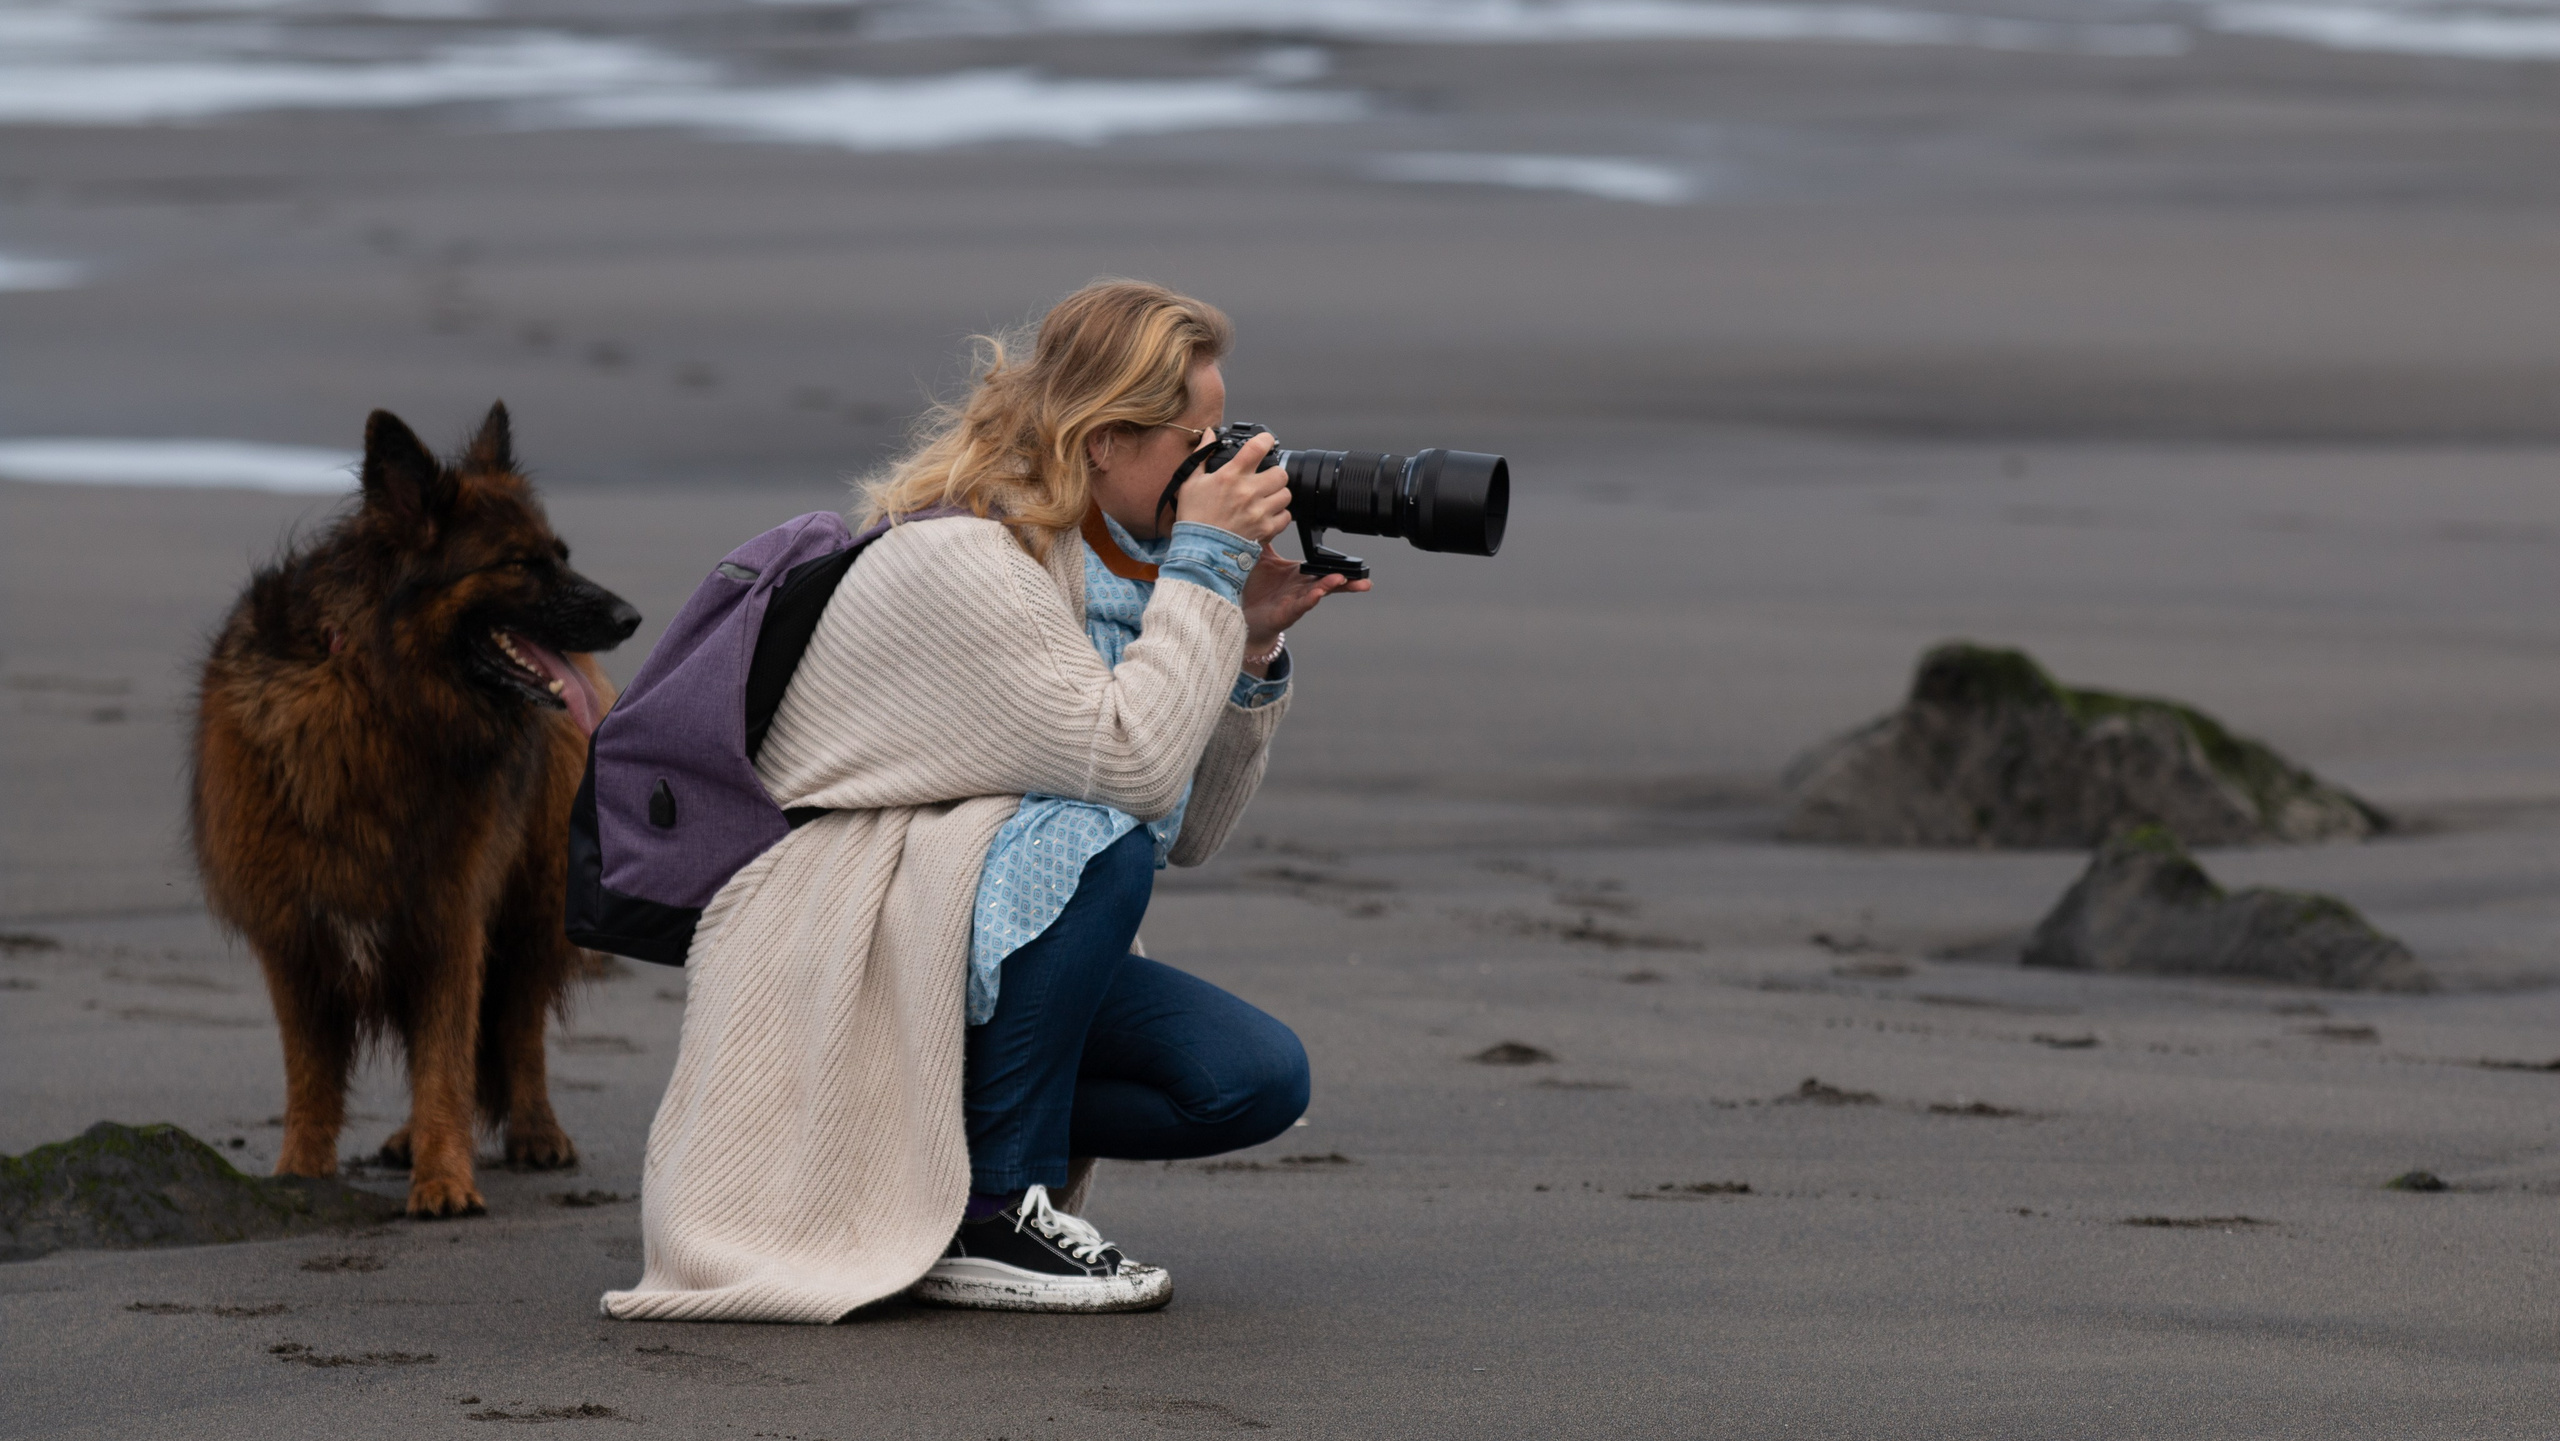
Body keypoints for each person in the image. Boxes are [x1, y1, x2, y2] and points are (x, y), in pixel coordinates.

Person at [601, 280, 1362, 1325]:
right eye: (1196, 440)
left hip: (960, 922)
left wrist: (1248, 640)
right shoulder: (963, 559)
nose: (1222, 464)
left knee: (1251, 1078)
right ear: (1104, 439)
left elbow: (1185, 828)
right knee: (1096, 835)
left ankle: (926, 1149)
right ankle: (992, 1210)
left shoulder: (1108, 563)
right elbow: (1132, 769)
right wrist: (1204, 566)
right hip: (849, 930)